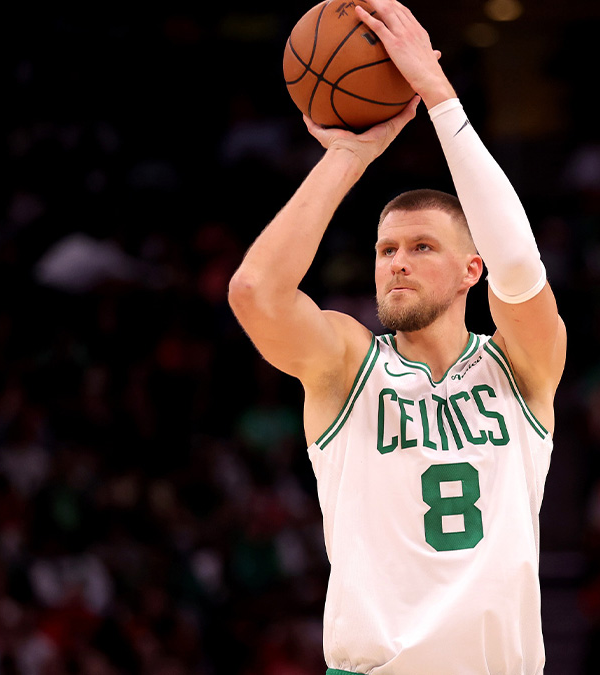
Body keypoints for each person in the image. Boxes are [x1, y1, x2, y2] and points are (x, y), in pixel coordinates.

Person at [228, 1, 566, 672]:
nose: (397, 262)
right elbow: (256, 293)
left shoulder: (523, 364)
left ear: (474, 269)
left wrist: (441, 98)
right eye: (386, 250)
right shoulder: (348, 366)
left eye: (420, 246)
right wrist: (350, 154)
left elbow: (522, 269)